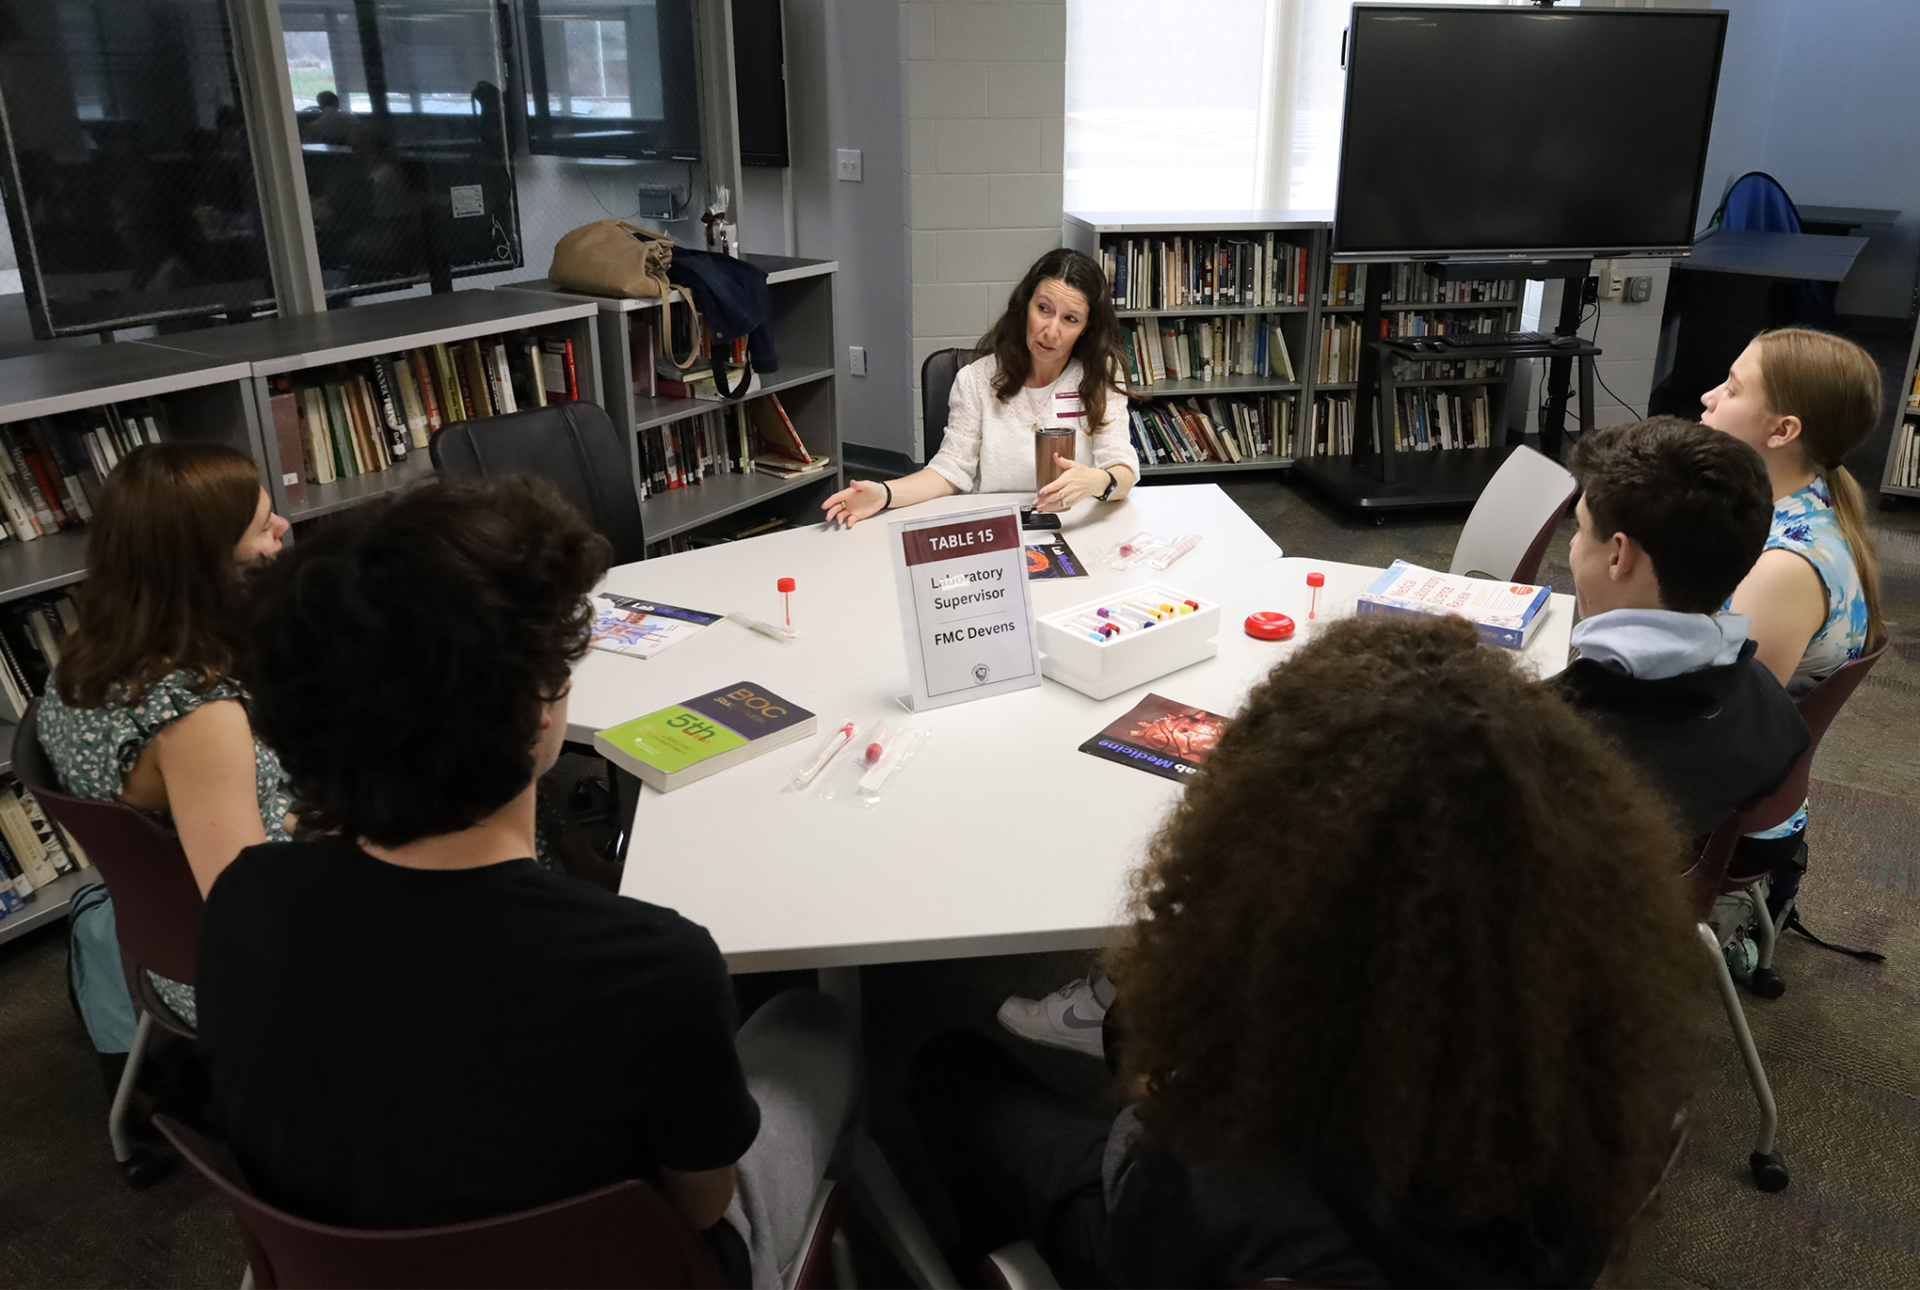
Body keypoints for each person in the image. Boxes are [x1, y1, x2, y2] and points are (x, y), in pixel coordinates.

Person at [200, 475, 856, 1290]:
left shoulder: (245, 900)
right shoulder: (655, 964)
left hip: (342, 1269)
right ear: (540, 707)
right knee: (813, 1023)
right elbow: (699, 1204)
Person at [917, 615, 1702, 1290]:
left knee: (950, 1068)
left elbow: (1145, 1225)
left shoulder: (1224, 1159)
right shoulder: (1608, 1062)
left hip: (1170, 1232)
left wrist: (1154, 1107)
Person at [38, 441, 291, 1027]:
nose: (281, 526)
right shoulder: (199, 716)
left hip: (169, 942)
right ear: (207, 562)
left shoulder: (88, 656)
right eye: (262, 526)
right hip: (246, 978)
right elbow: (251, 907)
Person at [1699, 328, 1885, 911]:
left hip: (1729, 824)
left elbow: (1718, 733)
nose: (1708, 397)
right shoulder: (1803, 503)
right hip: (1749, 793)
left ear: (1782, 431)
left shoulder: (1782, 570)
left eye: (1732, 389)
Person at [1557, 417, 1809, 838]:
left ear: (1619, 556)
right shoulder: (1771, 706)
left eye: (1581, 530)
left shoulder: (1549, 733)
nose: (1571, 544)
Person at [822, 248, 1138, 526]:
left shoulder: (1100, 375)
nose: (1051, 331)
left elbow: (1122, 467)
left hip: (1075, 524)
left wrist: (1100, 481)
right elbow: (950, 470)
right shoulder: (976, 379)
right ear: (1025, 306)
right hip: (996, 528)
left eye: (1070, 319)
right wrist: (885, 493)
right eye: (1043, 309)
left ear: (1086, 328)